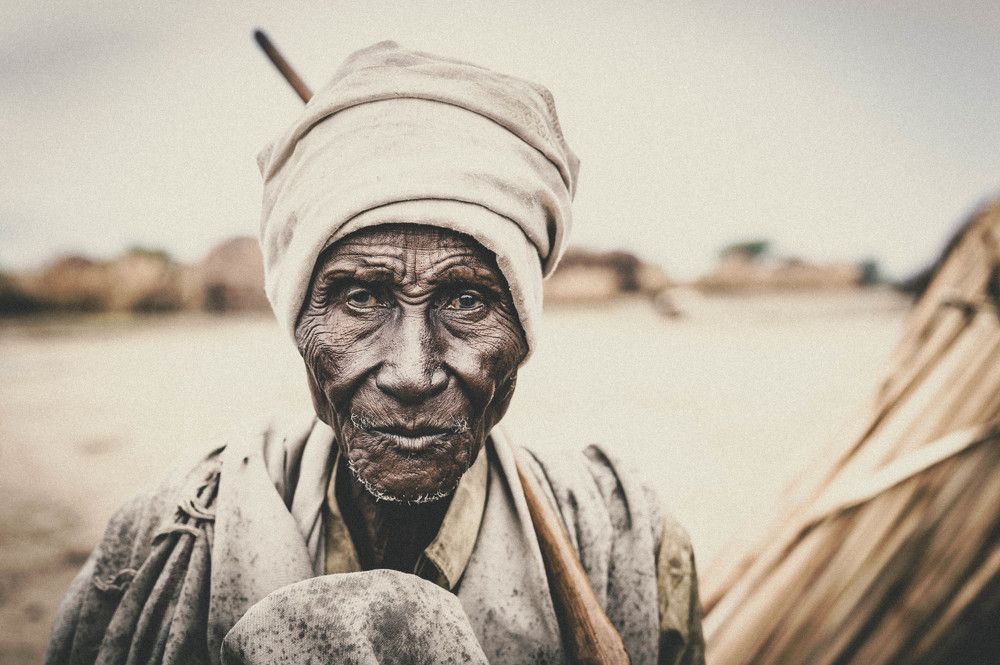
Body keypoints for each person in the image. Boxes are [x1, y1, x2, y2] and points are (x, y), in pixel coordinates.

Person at [46, 41, 704, 665]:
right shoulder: (158, 546)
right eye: (360, 297)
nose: (412, 371)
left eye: (467, 300)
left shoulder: (631, 546)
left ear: (525, 331)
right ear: (298, 317)